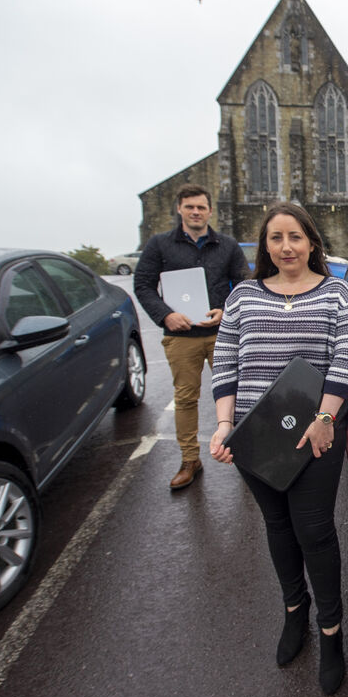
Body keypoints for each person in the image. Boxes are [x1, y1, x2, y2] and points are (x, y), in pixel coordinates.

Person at [208, 202, 348, 695]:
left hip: (317, 431)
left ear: (312, 241)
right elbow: (226, 358)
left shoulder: (336, 292)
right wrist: (224, 425)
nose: (286, 247)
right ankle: (296, 613)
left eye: (295, 236)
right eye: (276, 238)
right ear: (265, 246)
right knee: (278, 527)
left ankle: (331, 632)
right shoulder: (244, 296)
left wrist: (324, 417)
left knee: (314, 530)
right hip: (257, 435)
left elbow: (347, 354)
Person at [134, 183, 249, 490]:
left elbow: (243, 285)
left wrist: (226, 311)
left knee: (236, 396)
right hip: (181, 337)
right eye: (190, 207)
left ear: (210, 211)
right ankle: (190, 460)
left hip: (222, 334)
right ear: (179, 209)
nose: (196, 212)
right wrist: (165, 315)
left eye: (201, 207)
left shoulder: (227, 245)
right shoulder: (159, 245)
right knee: (186, 398)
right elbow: (143, 285)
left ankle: (246, 455)